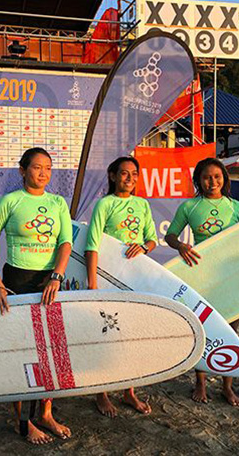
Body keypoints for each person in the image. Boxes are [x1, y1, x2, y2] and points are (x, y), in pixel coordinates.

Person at [0, 147, 73, 444]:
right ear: (22, 171)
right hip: (17, 280)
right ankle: (23, 421)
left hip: (50, 282)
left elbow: (66, 243)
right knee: (22, 351)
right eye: (36, 167)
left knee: (52, 348)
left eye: (48, 167)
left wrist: (56, 276)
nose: (43, 173)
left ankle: (46, 413)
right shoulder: (12, 201)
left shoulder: (58, 202)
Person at [165, 157, 239, 406]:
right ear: (199, 181)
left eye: (217, 176)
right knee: (203, 329)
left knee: (231, 330)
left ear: (225, 178)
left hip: (230, 276)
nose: (212, 182)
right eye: (207, 177)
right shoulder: (190, 206)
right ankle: (200, 383)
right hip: (202, 275)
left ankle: (227, 386)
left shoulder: (237, 207)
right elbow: (170, 235)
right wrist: (180, 246)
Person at [84, 156, 158, 418]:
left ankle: (129, 391)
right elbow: (91, 244)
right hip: (108, 277)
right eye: (124, 174)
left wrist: (144, 247)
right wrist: (92, 284)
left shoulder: (142, 204)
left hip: (134, 279)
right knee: (106, 335)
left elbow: (152, 239)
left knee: (131, 336)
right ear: (113, 176)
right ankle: (101, 393)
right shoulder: (105, 204)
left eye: (134, 174)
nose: (130, 178)